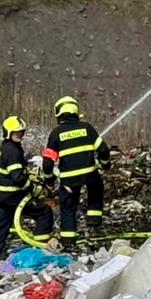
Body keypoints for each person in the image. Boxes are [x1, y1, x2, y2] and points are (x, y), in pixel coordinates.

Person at [41, 95, 110, 241]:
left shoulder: (56, 134)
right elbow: (103, 150)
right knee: (96, 189)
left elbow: (47, 162)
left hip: (68, 180)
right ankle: (94, 222)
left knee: (68, 208)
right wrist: (105, 164)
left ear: (58, 113)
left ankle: (68, 240)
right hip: (89, 175)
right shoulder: (87, 128)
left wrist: (49, 179)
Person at [0, 116, 53, 260]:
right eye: (16, 132)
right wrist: (33, 188)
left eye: (21, 132)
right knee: (44, 212)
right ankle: (40, 249)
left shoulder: (5, 148)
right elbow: (17, 176)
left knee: (0, 228)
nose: (20, 135)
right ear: (8, 132)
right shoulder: (12, 150)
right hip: (12, 196)